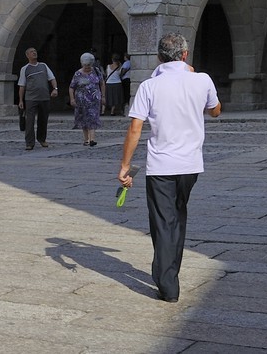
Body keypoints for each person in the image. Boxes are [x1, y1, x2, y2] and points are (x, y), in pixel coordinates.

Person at [119, 33, 222, 303]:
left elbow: (135, 128)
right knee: (177, 216)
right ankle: (170, 273)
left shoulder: (149, 86)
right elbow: (215, 110)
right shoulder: (203, 80)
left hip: (161, 165)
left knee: (163, 222)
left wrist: (125, 166)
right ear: (185, 55)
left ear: (159, 57)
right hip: (191, 165)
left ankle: (168, 285)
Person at [17, 47, 58, 150]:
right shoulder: (25, 69)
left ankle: (42, 139)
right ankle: (29, 143)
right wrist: (21, 100)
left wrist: (55, 89)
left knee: (43, 120)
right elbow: (22, 85)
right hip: (31, 98)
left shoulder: (43, 66)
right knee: (30, 121)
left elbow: (52, 78)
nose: (34, 53)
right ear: (27, 55)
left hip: (44, 97)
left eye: (35, 51)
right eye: (32, 52)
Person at [69, 52, 104, 147]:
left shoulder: (96, 71)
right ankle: (86, 139)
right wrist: (72, 99)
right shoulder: (78, 74)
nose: (87, 67)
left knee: (93, 118)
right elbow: (71, 87)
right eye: (85, 65)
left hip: (94, 100)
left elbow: (102, 83)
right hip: (81, 101)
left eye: (88, 65)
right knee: (83, 119)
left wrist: (103, 96)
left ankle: (92, 139)